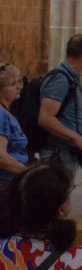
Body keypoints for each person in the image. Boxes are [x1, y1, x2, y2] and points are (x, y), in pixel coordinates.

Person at [37, 33, 82, 180]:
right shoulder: (60, 79)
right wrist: (77, 138)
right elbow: (45, 118)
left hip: (67, 153)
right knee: (56, 200)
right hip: (58, 154)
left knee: (62, 199)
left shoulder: (71, 77)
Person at [0, 62, 30, 230]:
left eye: (19, 82)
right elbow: (1, 157)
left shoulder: (5, 113)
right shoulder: (1, 114)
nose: (19, 87)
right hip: (4, 184)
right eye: (13, 84)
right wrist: (31, 173)